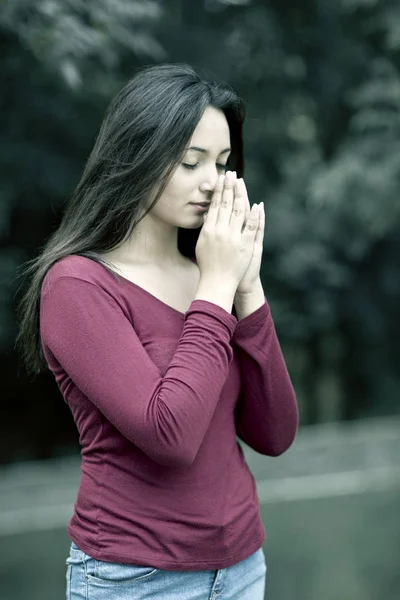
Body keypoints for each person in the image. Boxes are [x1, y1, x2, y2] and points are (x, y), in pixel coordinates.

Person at [16, 63, 298, 599]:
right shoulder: (77, 285)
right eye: (191, 162)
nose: (212, 182)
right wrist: (218, 283)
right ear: (136, 155)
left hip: (242, 567)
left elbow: (276, 434)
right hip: (136, 578)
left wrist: (249, 290)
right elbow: (170, 434)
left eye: (221, 163)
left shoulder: (208, 273)